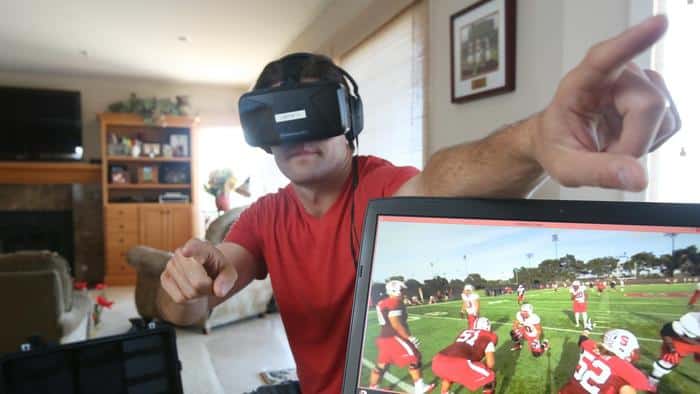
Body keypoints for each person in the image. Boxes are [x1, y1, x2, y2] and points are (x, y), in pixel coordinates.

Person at [156, 15, 680, 394]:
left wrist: (537, 138)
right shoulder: (265, 216)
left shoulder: (381, 188)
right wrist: (185, 285)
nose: (296, 131)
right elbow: (201, 298)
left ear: (349, 121)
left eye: (314, 108)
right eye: (276, 117)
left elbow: (446, 179)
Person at [369, 280, 433, 393]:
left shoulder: (383, 302)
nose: (404, 293)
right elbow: (396, 324)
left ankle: (373, 387)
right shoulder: (394, 302)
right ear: (396, 290)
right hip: (395, 337)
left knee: (382, 364)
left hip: (384, 337)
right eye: (402, 290)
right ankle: (420, 387)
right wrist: (409, 337)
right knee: (415, 357)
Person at [559, 324, 654, 394]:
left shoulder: (591, 346)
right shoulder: (624, 368)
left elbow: (582, 339)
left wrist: (588, 328)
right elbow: (647, 387)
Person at [432, 317, 497, 394]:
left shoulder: (464, 333)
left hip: (437, 361)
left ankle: (445, 392)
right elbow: (490, 363)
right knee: (490, 377)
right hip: (459, 363)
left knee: (448, 375)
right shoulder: (488, 336)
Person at [647, 312, 700, 390]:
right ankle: (651, 383)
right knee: (667, 361)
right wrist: (672, 348)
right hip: (683, 343)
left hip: (693, 341)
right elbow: (666, 330)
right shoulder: (689, 321)